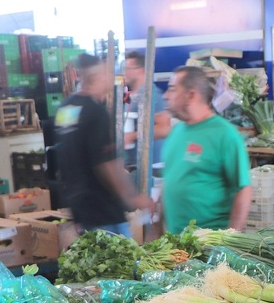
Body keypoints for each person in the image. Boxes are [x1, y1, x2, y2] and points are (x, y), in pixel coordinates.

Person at [53, 54, 149, 237]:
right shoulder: (96, 112)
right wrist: (132, 197)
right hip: (105, 212)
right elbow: (107, 165)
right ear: (95, 77)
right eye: (107, 73)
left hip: (80, 210)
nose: (110, 77)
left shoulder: (65, 108)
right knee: (122, 262)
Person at [160, 65, 252, 234]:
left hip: (209, 244)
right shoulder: (176, 131)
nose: (166, 96)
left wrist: (231, 238)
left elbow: (243, 188)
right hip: (175, 244)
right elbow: (169, 182)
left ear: (191, 95)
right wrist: (156, 228)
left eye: (172, 90)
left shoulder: (225, 134)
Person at [122, 51, 171, 176]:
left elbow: (164, 128)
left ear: (141, 70)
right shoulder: (134, 97)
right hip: (136, 166)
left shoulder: (152, 95)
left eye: (128, 68)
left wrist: (131, 136)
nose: (125, 73)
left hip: (152, 167)